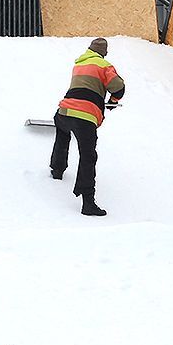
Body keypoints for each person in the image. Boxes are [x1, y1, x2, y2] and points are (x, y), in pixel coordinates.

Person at [50, 36, 125, 216]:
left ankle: (57, 170)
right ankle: (88, 203)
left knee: (63, 135)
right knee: (88, 156)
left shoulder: (80, 64)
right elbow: (118, 87)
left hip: (64, 111)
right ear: (104, 52)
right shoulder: (104, 66)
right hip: (84, 116)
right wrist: (112, 101)